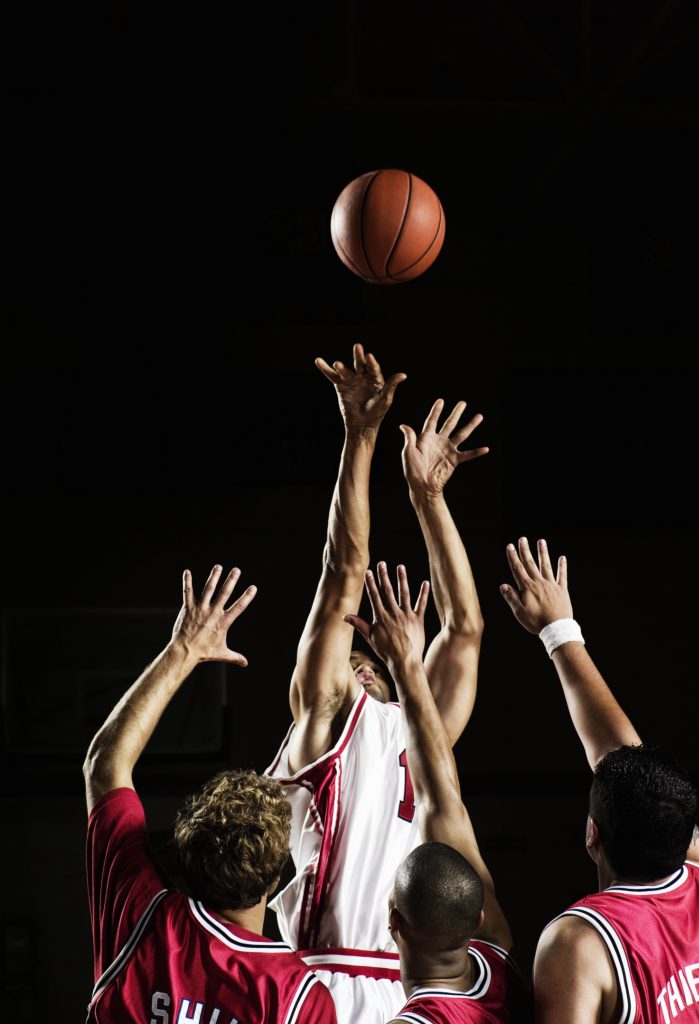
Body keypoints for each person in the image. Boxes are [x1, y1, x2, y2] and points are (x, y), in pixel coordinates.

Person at [265, 345, 488, 1021]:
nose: (359, 659)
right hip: (320, 980)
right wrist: (358, 439)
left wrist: (430, 498)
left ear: (391, 672)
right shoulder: (326, 717)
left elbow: (464, 627)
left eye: (372, 659)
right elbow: (345, 570)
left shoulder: (425, 730)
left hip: (401, 988)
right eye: (353, 654)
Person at [499, 536, 699, 1024]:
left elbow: (619, 761)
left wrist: (557, 629)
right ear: (685, 838)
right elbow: (622, 762)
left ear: (592, 834)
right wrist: (558, 630)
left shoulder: (580, 941)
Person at [83, 565, 338, 1024]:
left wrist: (184, 649)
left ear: (184, 858)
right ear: (276, 879)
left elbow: (104, 764)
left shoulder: (141, 917)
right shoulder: (296, 995)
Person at [345, 560, 532, 1024]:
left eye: (367, 666)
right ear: (479, 920)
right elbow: (442, 801)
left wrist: (405, 666)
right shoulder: (503, 968)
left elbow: (465, 627)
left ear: (394, 924)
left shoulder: (397, 727)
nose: (362, 672)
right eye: (351, 668)